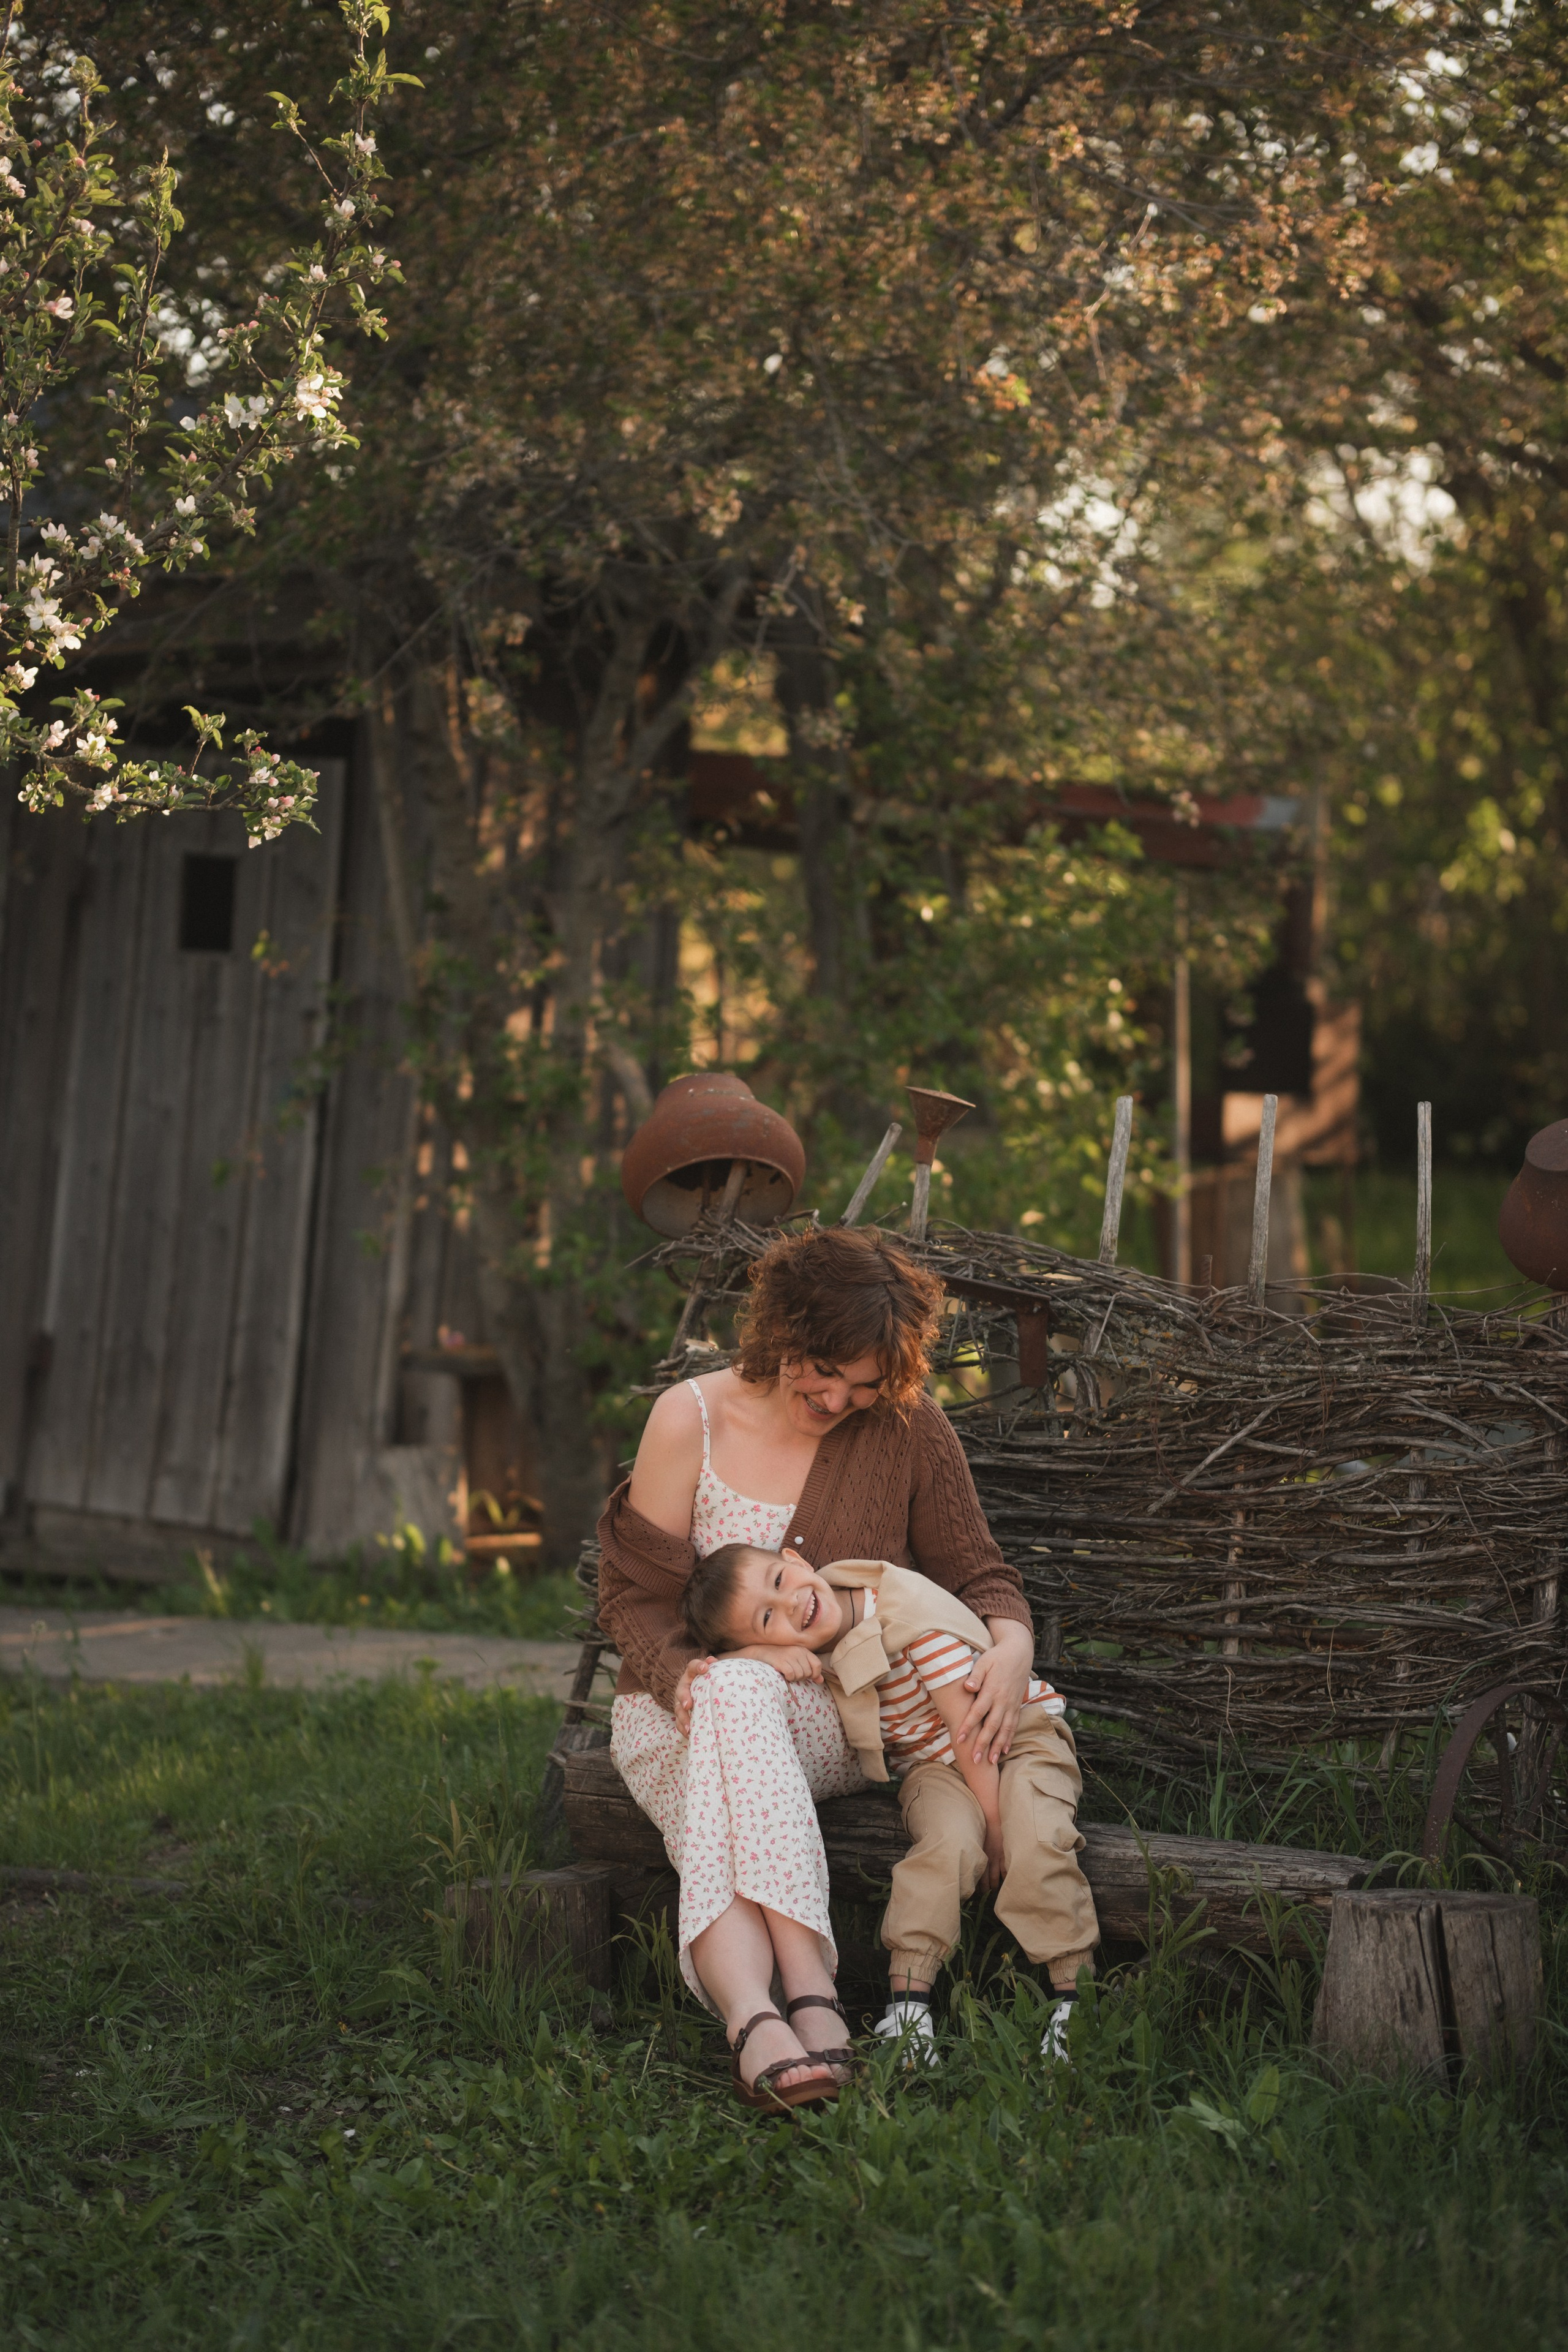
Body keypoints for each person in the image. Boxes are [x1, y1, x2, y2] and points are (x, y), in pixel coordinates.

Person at [596, 1223, 1038, 2111]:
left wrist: (1014, 1644)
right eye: (820, 1370)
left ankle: (763, 2015)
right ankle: (798, 2001)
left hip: (827, 1721)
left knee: (747, 1690)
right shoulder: (690, 1419)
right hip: (670, 1703)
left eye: (864, 1385)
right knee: (732, 1688)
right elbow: (635, 1603)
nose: (837, 1398)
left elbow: (979, 1572)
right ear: (780, 1330)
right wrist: (694, 1674)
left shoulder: (908, 1430)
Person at [680, 1542, 1098, 2064]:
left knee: (1034, 1836)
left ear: (797, 1559)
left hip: (1015, 1738)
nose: (790, 1605)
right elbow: (733, 1665)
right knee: (941, 1846)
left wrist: (994, 1827)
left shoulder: (906, 1614)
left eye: (780, 1582)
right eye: (768, 1618)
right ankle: (909, 2005)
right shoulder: (823, 1641)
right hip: (934, 1766)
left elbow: (971, 1732)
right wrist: (761, 1654)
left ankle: (1073, 1994)